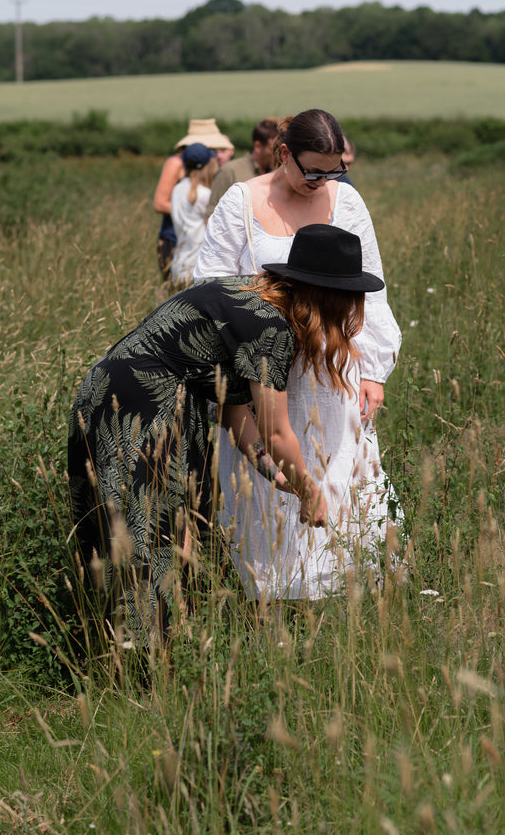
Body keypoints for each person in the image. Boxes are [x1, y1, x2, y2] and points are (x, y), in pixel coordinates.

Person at [68, 224, 382, 641]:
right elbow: (275, 429)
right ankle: (142, 662)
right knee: (150, 534)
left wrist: (277, 475)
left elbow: (237, 414)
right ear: (331, 297)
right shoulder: (268, 325)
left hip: (139, 395)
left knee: (161, 532)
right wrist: (310, 489)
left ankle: (153, 652)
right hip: (138, 403)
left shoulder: (253, 299)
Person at [193, 108, 402, 604]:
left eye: (333, 171)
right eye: (313, 170)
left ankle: (347, 591)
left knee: (339, 471)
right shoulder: (241, 202)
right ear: (283, 154)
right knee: (271, 479)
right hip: (263, 367)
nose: (322, 181)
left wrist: (373, 370)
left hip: (333, 371)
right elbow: (212, 287)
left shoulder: (346, 201)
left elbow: (370, 288)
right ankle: (273, 597)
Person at [153, 119, 235, 276]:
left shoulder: (205, 166)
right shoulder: (176, 163)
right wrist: (195, 210)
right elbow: (160, 203)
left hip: (187, 239)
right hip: (175, 237)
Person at [206, 118, 279, 219]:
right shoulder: (230, 171)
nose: (278, 155)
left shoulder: (277, 175)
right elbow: (211, 217)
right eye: (272, 149)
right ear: (257, 146)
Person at [169, 143, 219, 287]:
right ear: (208, 164)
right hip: (197, 265)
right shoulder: (205, 194)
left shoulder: (177, 189)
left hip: (178, 262)